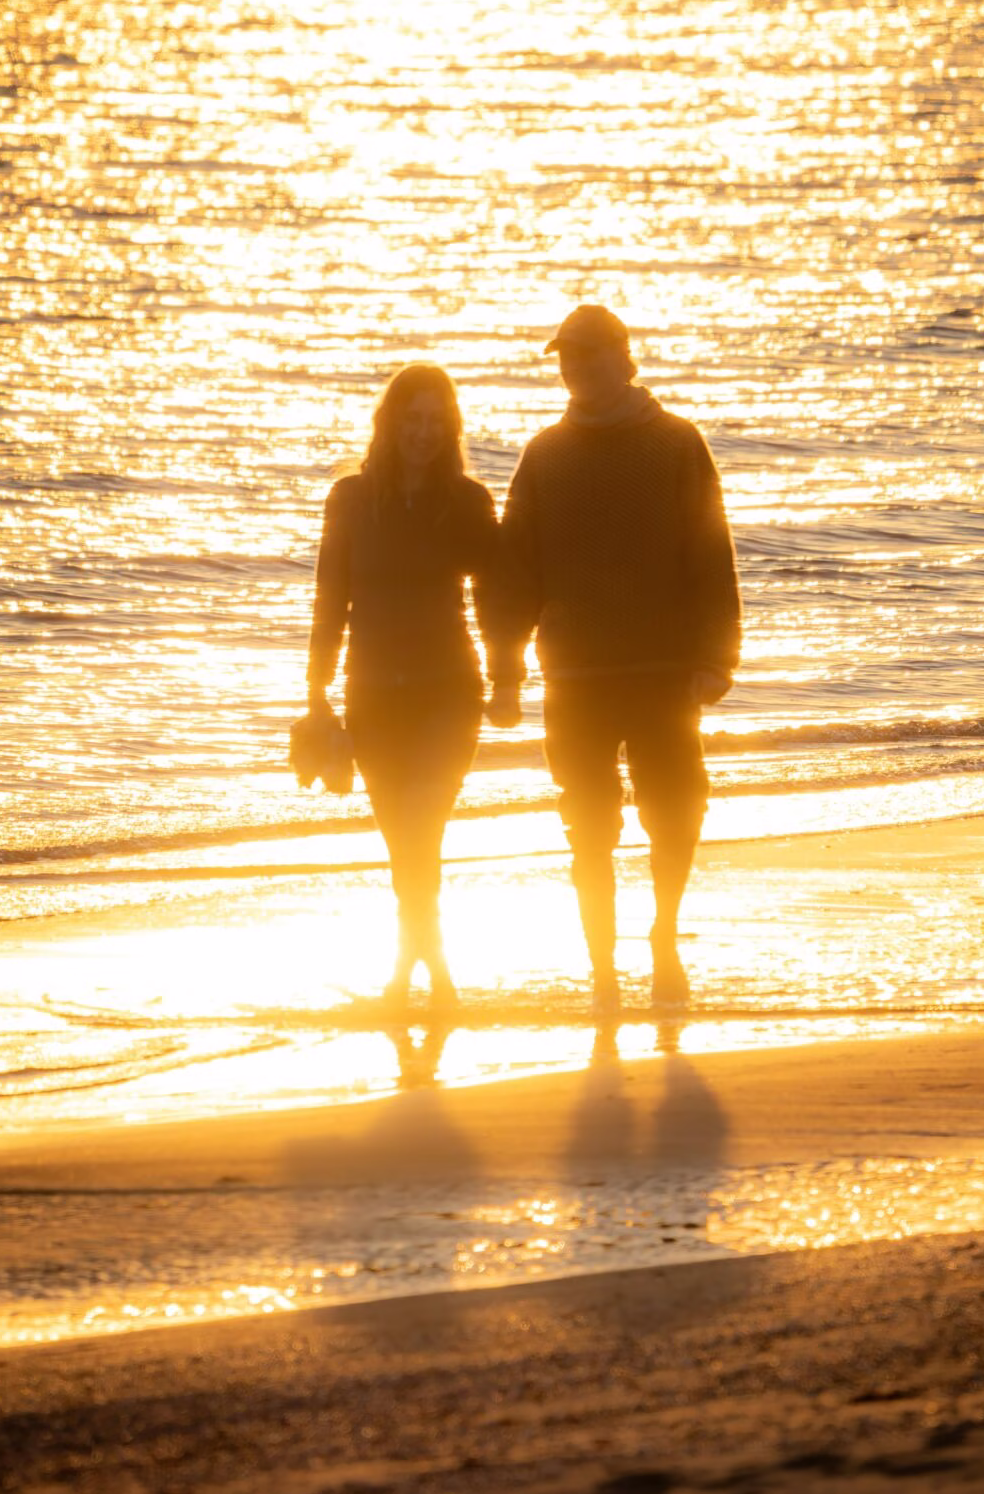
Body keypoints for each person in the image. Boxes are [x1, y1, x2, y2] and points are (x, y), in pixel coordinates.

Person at [489, 306, 741, 1015]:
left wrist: (718, 658)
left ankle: (662, 935)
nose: (574, 369)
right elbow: (515, 573)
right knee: (589, 825)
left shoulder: (675, 443)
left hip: (664, 672)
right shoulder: (544, 455)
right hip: (574, 677)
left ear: (622, 358)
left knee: (678, 807)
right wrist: (505, 671)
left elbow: (711, 556)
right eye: (565, 358)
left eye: (587, 356)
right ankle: (602, 972)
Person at [307, 364, 506, 1013]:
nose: (422, 434)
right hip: (374, 695)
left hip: (449, 690)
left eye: (435, 422)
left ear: (450, 429)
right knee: (404, 838)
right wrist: (318, 689)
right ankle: (425, 971)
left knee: (423, 827)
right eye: (411, 420)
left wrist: (509, 674)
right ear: (390, 424)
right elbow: (330, 597)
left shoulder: (468, 504)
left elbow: (500, 596)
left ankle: (422, 977)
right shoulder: (352, 500)